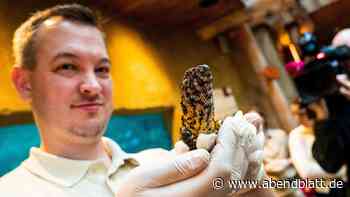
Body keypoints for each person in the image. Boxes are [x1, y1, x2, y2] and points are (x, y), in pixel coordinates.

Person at [0, 4, 273, 196]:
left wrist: (254, 185)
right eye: (67, 66)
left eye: (102, 69)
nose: (93, 86)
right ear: (25, 84)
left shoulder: (163, 162)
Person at [312, 29, 350, 197]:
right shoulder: (337, 100)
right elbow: (330, 163)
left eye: (346, 56)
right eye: (339, 60)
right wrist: (322, 119)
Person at [290, 100, 346, 197]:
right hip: (327, 191)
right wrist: (343, 169)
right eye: (294, 114)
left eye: (301, 114)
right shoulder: (296, 135)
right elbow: (307, 172)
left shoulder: (333, 123)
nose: (298, 119)